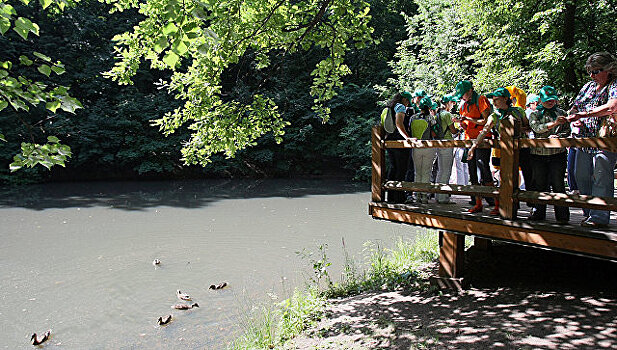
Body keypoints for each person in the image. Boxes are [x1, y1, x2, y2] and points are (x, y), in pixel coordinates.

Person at [567, 52, 617, 228]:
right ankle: (589, 212)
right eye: (590, 71)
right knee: (580, 176)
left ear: (609, 69)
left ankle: (599, 217)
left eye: (596, 71)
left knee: (602, 177)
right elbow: (574, 107)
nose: (592, 75)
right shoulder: (588, 86)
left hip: (605, 140)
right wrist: (574, 117)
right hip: (584, 139)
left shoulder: (614, 85)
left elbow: (612, 106)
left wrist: (586, 113)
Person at [468, 88, 524, 215]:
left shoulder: (518, 111)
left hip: (520, 150)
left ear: (505, 98)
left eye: (496, 99)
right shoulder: (494, 116)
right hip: (503, 151)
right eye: (493, 100)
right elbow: (484, 131)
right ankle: (501, 205)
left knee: (518, 176)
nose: (494, 102)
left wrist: (519, 132)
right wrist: (473, 147)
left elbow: (527, 127)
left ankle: (519, 205)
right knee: (503, 176)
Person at [528, 86, 571, 223]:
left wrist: (558, 136)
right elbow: (537, 128)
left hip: (557, 153)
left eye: (552, 99)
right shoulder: (535, 114)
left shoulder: (561, 113)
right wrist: (553, 124)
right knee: (540, 183)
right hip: (539, 154)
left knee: (558, 184)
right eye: (547, 100)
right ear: (540, 100)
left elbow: (567, 131)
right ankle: (538, 212)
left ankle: (562, 215)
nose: (550, 102)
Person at [452, 80, 495, 213]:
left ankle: (492, 198)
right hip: (468, 140)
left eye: (463, 94)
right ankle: (476, 201)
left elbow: (487, 121)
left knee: (483, 167)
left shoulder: (481, 100)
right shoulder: (463, 105)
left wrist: (469, 119)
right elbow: (465, 126)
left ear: (470, 91)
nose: (461, 97)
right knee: (471, 170)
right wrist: (461, 123)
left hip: (483, 140)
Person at [385, 91, 415, 203]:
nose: (408, 104)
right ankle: (399, 197)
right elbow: (399, 124)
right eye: (408, 101)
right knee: (401, 169)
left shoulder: (391, 106)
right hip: (399, 142)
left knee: (393, 168)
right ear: (404, 99)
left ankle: (391, 196)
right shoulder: (401, 107)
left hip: (390, 141)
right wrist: (407, 138)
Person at [409, 96, 438, 204]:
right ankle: (425, 196)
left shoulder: (413, 118)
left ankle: (417, 195)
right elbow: (434, 133)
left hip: (416, 147)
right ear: (429, 106)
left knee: (417, 172)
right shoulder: (431, 118)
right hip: (428, 147)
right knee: (426, 172)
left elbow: (410, 131)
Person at [434, 95, 459, 204]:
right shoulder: (447, 114)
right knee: (446, 170)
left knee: (440, 170)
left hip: (439, 143)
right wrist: (459, 130)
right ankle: (443, 198)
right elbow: (453, 130)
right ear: (448, 102)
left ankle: (438, 196)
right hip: (447, 143)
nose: (453, 105)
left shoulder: (437, 114)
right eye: (452, 103)